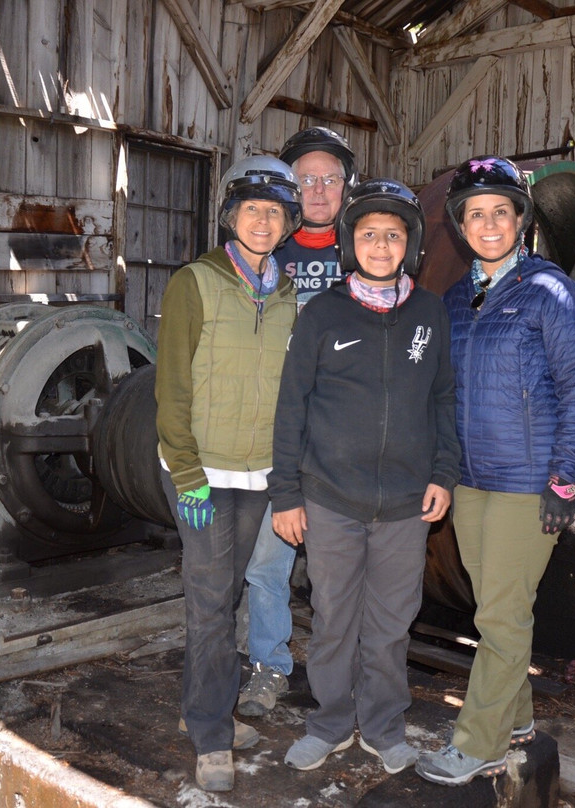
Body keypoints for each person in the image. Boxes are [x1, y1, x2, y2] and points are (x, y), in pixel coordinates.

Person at [414, 156, 575, 785]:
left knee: (499, 615)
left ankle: (479, 743)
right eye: (475, 214)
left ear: (520, 220)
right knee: (498, 612)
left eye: (501, 212)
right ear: (459, 226)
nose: (488, 224)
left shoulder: (551, 292)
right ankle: (516, 719)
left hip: (528, 486)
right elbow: (440, 393)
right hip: (470, 483)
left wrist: (564, 479)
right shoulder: (454, 302)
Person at [269, 179, 461, 774]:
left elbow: (443, 400)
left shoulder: (429, 312)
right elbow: (291, 405)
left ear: (411, 244)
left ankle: (382, 726)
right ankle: (329, 724)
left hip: (405, 505)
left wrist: (443, 475)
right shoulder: (323, 312)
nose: (381, 246)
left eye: (394, 235)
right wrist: (286, 495)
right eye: (370, 234)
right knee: (332, 621)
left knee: (390, 625)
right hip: (330, 499)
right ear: (352, 243)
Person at [155, 155, 302, 792]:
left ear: (289, 221)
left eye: (275, 211)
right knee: (211, 602)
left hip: (259, 474)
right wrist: (185, 472)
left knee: (231, 594)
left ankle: (208, 706)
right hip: (203, 475)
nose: (264, 221)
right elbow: (172, 385)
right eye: (253, 209)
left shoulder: (290, 292)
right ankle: (212, 735)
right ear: (231, 216)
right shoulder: (196, 282)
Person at [238, 127, 358, 717]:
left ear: (346, 187)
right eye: (304, 179)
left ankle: (343, 677)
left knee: (342, 569)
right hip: (277, 436)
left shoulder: (369, 248)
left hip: (346, 440)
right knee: (268, 562)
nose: (317, 189)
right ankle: (269, 666)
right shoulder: (263, 254)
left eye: (329, 178)